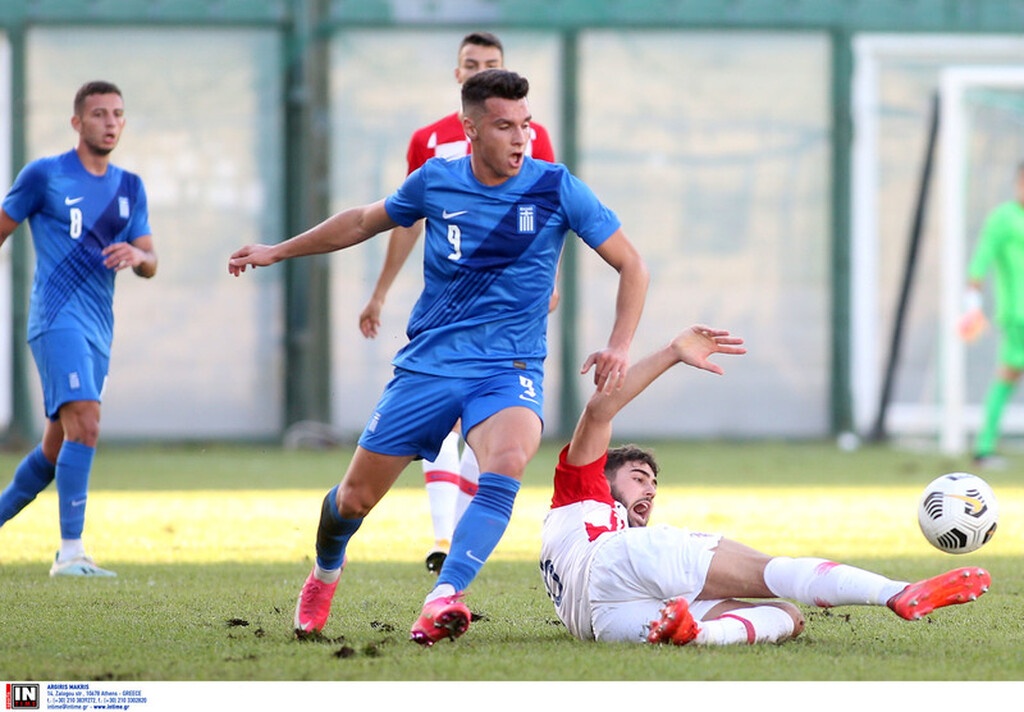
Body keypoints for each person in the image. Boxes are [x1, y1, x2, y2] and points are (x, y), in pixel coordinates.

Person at [228, 68, 649, 646]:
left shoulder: (557, 188)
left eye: (526, 125)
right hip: (429, 365)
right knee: (352, 500)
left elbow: (632, 264)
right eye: (504, 127)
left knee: (508, 460)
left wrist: (620, 344)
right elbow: (362, 222)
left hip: (508, 368)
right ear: (470, 130)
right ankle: (324, 572)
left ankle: (444, 596)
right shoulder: (436, 181)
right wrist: (278, 251)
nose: (521, 139)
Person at [540, 324, 991, 645]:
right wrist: (672, 352)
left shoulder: (578, 536)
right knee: (772, 572)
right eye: (638, 478)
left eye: (653, 484)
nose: (650, 490)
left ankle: (702, 634)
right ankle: (896, 592)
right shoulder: (580, 488)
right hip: (616, 565)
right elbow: (599, 411)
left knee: (787, 617)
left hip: (602, 623)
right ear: (600, 474)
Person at [358, 31, 557, 575]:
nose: (480, 69)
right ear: (458, 74)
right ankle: (444, 535)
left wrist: (550, 282)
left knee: (489, 427)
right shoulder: (429, 143)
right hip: (449, 307)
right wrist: (380, 291)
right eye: (471, 63)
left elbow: (548, 214)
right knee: (442, 423)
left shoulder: (529, 136)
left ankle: (456, 541)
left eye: (490, 62)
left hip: (508, 315)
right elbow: (403, 220)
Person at [0, 80, 158, 577]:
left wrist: (138, 256)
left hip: (97, 330)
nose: (110, 123)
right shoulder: (45, 175)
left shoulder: (129, 187)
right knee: (86, 423)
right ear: (77, 122)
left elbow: (151, 259)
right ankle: (70, 552)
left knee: (55, 450)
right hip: (55, 320)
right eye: (99, 114)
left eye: (118, 114)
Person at [959, 161, 1024, 469]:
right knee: (1007, 375)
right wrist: (972, 307)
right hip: (1018, 316)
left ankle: (984, 447)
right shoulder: (1004, 218)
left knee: (1007, 377)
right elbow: (979, 264)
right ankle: (984, 448)